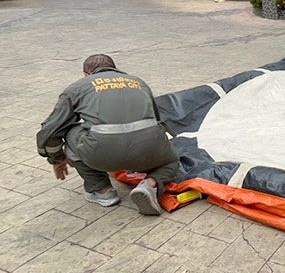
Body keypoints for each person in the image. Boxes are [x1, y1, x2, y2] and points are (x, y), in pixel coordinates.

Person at [36, 54, 179, 215]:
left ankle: (102, 191)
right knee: (172, 161)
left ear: (86, 74)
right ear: (115, 68)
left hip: (102, 155)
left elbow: (50, 130)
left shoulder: (77, 87)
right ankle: (150, 184)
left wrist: (57, 158)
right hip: (148, 151)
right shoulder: (138, 82)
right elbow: (156, 119)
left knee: (69, 130)